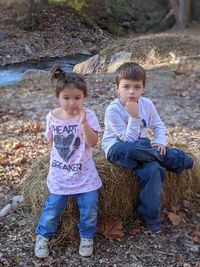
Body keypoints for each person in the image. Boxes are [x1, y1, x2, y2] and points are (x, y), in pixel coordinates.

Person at [102, 62, 194, 234]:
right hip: (117, 149)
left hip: (143, 148)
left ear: (143, 89)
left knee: (154, 170)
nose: (131, 91)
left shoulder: (147, 103)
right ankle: (176, 158)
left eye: (137, 87)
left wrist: (160, 141)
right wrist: (134, 116)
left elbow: (158, 125)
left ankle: (150, 216)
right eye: (126, 86)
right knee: (131, 149)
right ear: (117, 88)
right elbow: (127, 141)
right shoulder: (112, 110)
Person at [34, 65, 102, 258]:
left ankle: (87, 236)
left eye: (77, 98)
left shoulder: (88, 115)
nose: (72, 103)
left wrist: (83, 123)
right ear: (58, 97)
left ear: (84, 97)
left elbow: (93, 142)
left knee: (89, 206)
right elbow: (51, 141)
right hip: (60, 174)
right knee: (52, 207)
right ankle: (43, 236)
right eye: (66, 98)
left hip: (84, 173)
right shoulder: (52, 116)